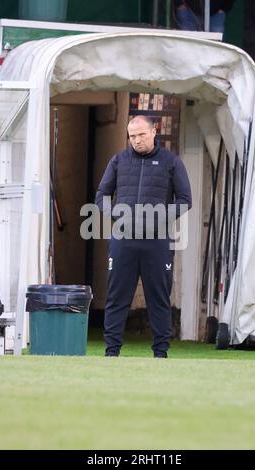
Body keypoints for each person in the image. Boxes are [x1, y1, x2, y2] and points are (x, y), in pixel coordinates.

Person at [95, 116, 192, 358]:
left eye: (141, 135)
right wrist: (117, 214)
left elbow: (185, 200)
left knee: (158, 298)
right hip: (123, 241)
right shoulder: (118, 160)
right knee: (117, 297)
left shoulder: (171, 162)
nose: (136, 140)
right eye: (132, 136)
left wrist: (159, 217)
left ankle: (161, 353)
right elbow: (101, 195)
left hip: (157, 242)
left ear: (153, 132)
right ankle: (112, 352)